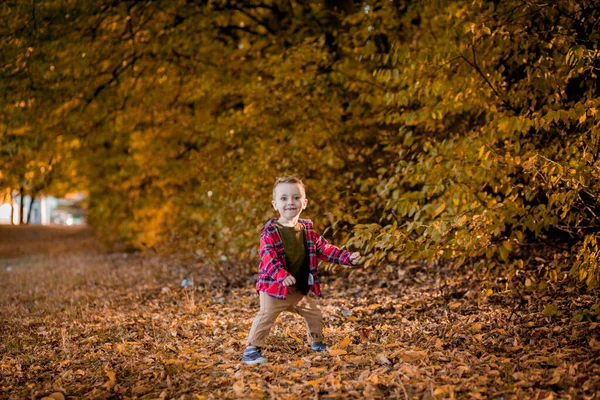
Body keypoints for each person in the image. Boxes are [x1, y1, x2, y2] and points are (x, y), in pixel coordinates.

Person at [242, 176, 360, 365]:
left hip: (298, 288)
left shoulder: (307, 231)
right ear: (275, 204)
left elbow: (326, 249)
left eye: (296, 198)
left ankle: (317, 343)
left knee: (314, 313)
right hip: (274, 287)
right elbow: (268, 257)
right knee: (266, 316)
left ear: (304, 203)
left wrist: (346, 257)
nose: (290, 202)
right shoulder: (270, 232)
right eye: (284, 198)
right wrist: (281, 275)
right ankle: (251, 350)